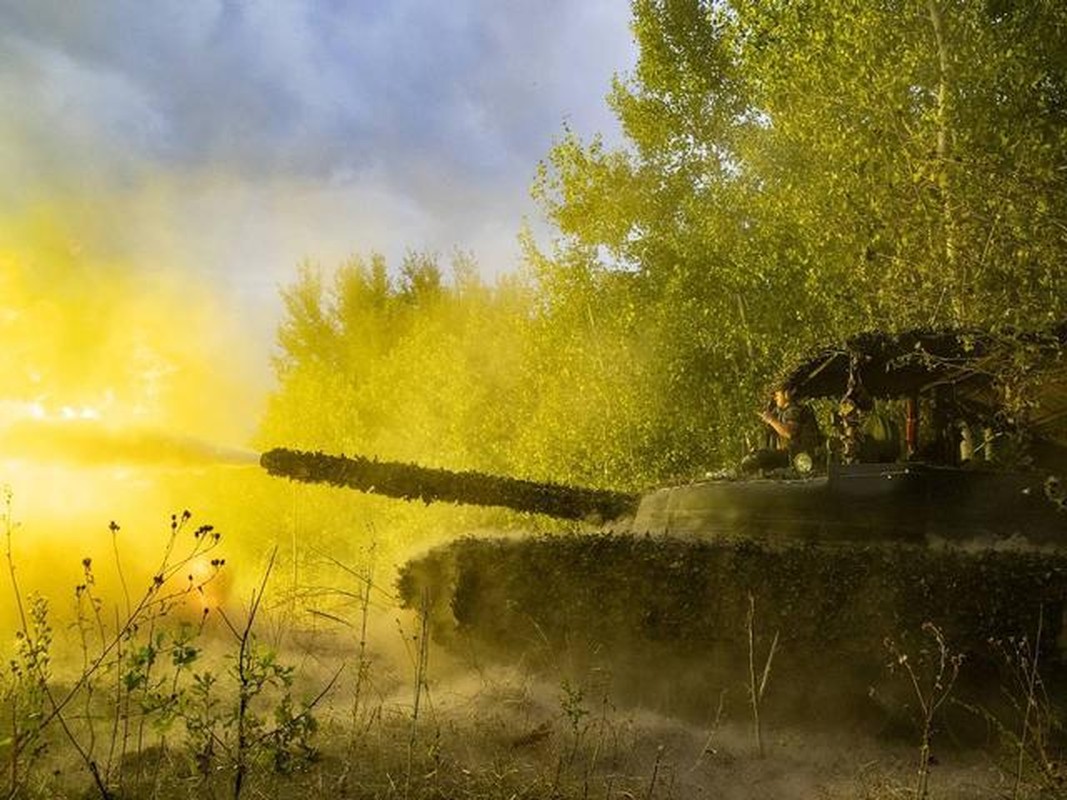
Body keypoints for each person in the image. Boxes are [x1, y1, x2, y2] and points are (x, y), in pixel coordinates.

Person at [741, 386, 823, 473]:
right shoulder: (780, 411)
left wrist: (771, 420)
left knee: (757, 459)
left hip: (798, 457)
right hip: (790, 456)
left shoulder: (794, 410)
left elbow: (789, 432)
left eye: (777, 394)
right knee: (750, 460)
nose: (775, 398)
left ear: (786, 394)